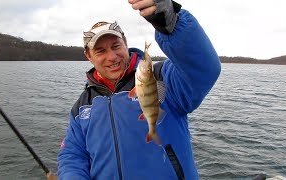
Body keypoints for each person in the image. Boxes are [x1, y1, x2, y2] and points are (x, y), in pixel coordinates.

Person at [57, 0, 221, 179]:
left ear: (125, 43)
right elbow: (73, 155)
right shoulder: (82, 107)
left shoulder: (162, 78)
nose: (112, 57)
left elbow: (204, 69)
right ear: (88, 56)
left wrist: (174, 25)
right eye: (100, 51)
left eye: (116, 46)